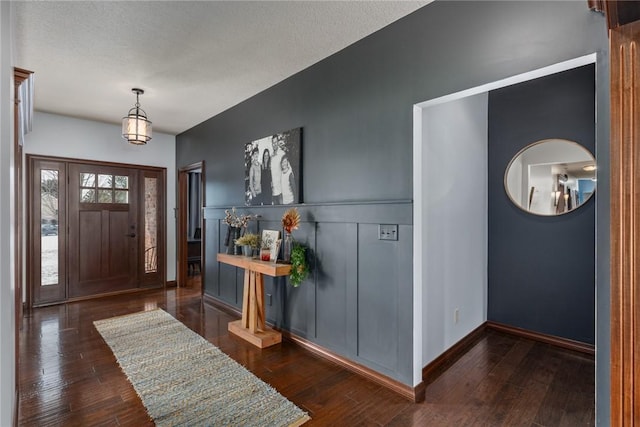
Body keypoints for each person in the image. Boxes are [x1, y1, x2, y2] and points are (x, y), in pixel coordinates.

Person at [270, 135, 284, 204]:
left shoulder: (282, 154)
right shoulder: (271, 156)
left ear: (278, 142)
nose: (274, 144)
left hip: (281, 190)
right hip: (273, 190)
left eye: (275, 142)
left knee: (283, 212)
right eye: (273, 142)